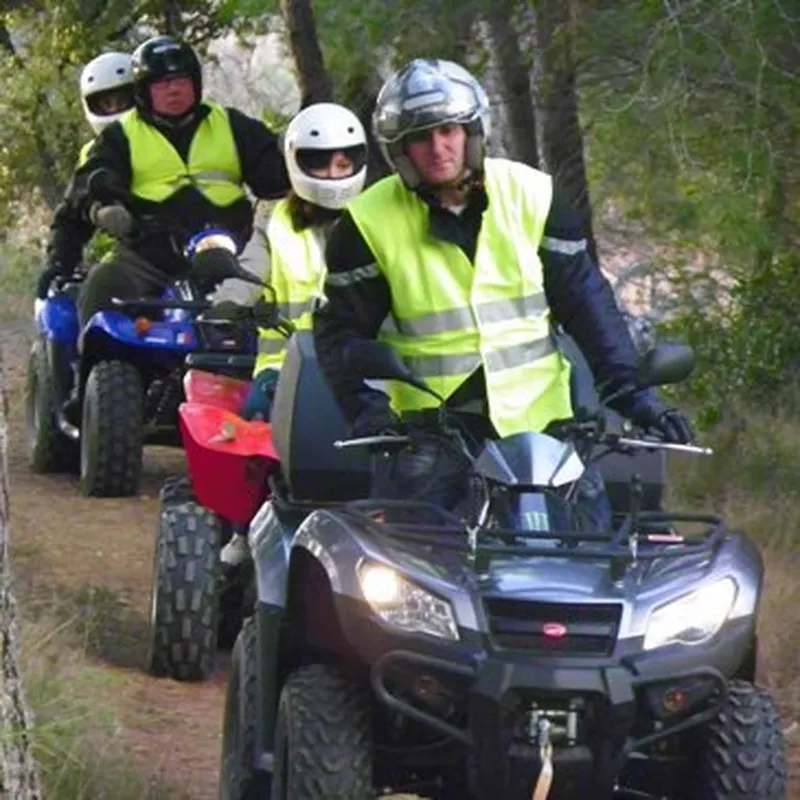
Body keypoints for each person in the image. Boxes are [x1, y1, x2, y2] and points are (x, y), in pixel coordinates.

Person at [312, 57, 694, 524]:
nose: (438, 148)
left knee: (598, 559)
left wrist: (635, 395)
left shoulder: (534, 195)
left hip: (545, 436)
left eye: (448, 131)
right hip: (431, 440)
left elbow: (588, 304)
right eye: (420, 137)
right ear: (399, 149)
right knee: (405, 574)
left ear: (471, 131)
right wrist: (367, 411)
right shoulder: (366, 223)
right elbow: (340, 335)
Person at [218, 102, 368, 567]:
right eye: (319, 161)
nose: (332, 171)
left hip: (365, 363)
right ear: (295, 161)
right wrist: (227, 302)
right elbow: (251, 269)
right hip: (288, 368)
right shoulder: (274, 220)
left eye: (343, 161)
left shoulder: (380, 217)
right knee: (251, 425)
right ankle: (243, 529)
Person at [68, 34, 290, 330]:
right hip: (149, 256)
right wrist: (104, 208)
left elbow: (274, 175)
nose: (173, 90)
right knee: (100, 287)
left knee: (291, 287)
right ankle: (93, 373)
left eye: (181, 81)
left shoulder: (232, 124)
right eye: (162, 84)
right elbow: (94, 177)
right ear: (143, 92)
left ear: (196, 83)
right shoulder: (119, 135)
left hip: (233, 250)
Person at [36, 51, 135, 301]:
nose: (115, 109)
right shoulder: (93, 153)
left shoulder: (170, 134)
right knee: (68, 312)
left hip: (196, 246)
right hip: (129, 255)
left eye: (124, 100)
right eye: (106, 103)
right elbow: (71, 211)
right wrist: (60, 261)